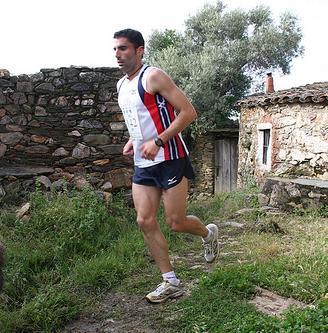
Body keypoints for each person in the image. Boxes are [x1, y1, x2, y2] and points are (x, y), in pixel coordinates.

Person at [113, 28, 219, 303]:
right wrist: (133, 141)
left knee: (176, 222)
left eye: (123, 48)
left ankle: (208, 233)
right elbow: (140, 120)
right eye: (115, 49)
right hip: (143, 163)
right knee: (144, 220)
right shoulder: (121, 86)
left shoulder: (154, 76)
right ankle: (170, 281)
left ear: (139, 50)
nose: (117, 54)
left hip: (170, 158)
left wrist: (158, 141)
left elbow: (188, 112)